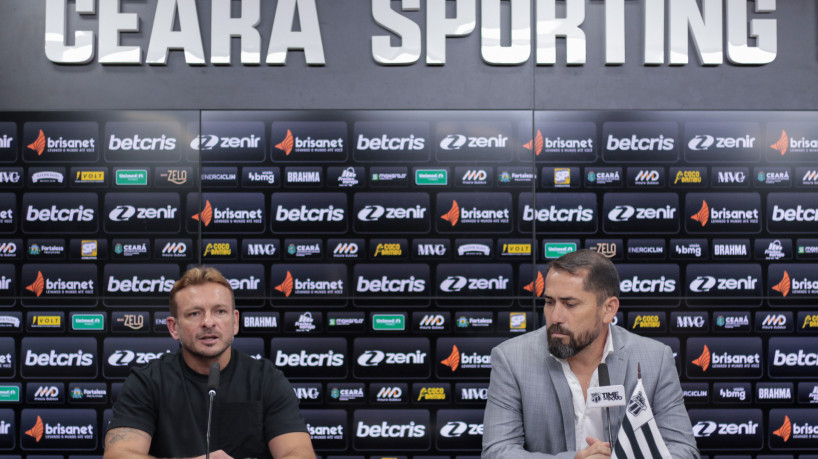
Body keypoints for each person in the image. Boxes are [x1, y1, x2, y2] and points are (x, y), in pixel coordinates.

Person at [482, 249, 698, 458]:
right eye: (549, 302)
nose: (555, 316)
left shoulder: (654, 359)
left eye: (570, 304)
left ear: (608, 309)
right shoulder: (511, 359)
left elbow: (683, 450)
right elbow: (497, 451)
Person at [105, 266, 315, 459]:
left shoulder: (266, 379)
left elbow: (299, 454)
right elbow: (118, 455)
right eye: (194, 313)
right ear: (173, 328)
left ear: (235, 322)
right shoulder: (147, 382)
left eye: (220, 311)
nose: (208, 322)